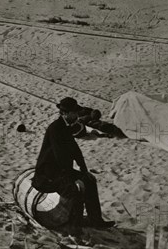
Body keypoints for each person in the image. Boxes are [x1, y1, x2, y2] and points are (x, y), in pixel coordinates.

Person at [32, 97, 115, 234]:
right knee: (73, 189)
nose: (77, 115)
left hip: (61, 169)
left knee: (89, 180)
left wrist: (84, 170)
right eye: (74, 113)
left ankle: (96, 220)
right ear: (65, 113)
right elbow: (60, 156)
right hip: (48, 174)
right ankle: (71, 226)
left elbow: (75, 150)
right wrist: (71, 177)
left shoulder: (66, 126)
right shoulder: (55, 128)